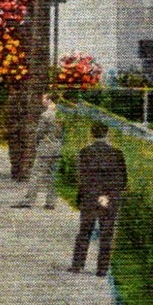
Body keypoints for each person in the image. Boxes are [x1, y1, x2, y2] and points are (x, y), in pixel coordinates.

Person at [70, 122, 128, 276]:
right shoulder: (117, 153)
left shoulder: (85, 152)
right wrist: (107, 195)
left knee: (84, 231)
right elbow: (122, 179)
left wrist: (95, 195)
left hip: (90, 198)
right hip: (109, 199)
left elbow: (83, 177)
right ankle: (102, 269)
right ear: (107, 134)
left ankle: (77, 265)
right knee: (107, 234)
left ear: (91, 133)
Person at [14, 95, 64, 210]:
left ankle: (29, 200)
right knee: (54, 176)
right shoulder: (62, 115)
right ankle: (51, 202)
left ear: (50, 100)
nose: (42, 101)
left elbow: (40, 132)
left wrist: (37, 142)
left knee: (36, 174)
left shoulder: (46, 115)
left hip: (46, 147)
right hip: (58, 148)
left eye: (44, 99)